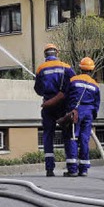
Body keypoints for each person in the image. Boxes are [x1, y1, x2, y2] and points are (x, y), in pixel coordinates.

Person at [34, 43, 75, 177]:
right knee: (68, 134)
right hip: (64, 105)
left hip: (48, 105)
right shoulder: (66, 67)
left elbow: (38, 90)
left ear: (45, 55)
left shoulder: (41, 68)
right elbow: (73, 85)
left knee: (48, 135)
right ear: (57, 53)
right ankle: (71, 166)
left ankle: (49, 169)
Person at [62, 57, 100, 177]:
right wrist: (92, 115)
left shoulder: (74, 80)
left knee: (73, 138)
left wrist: (68, 110)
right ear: (92, 70)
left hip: (76, 113)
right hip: (88, 113)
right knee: (84, 140)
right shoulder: (95, 85)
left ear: (80, 68)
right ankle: (83, 169)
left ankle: (72, 169)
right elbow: (97, 103)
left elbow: (66, 96)